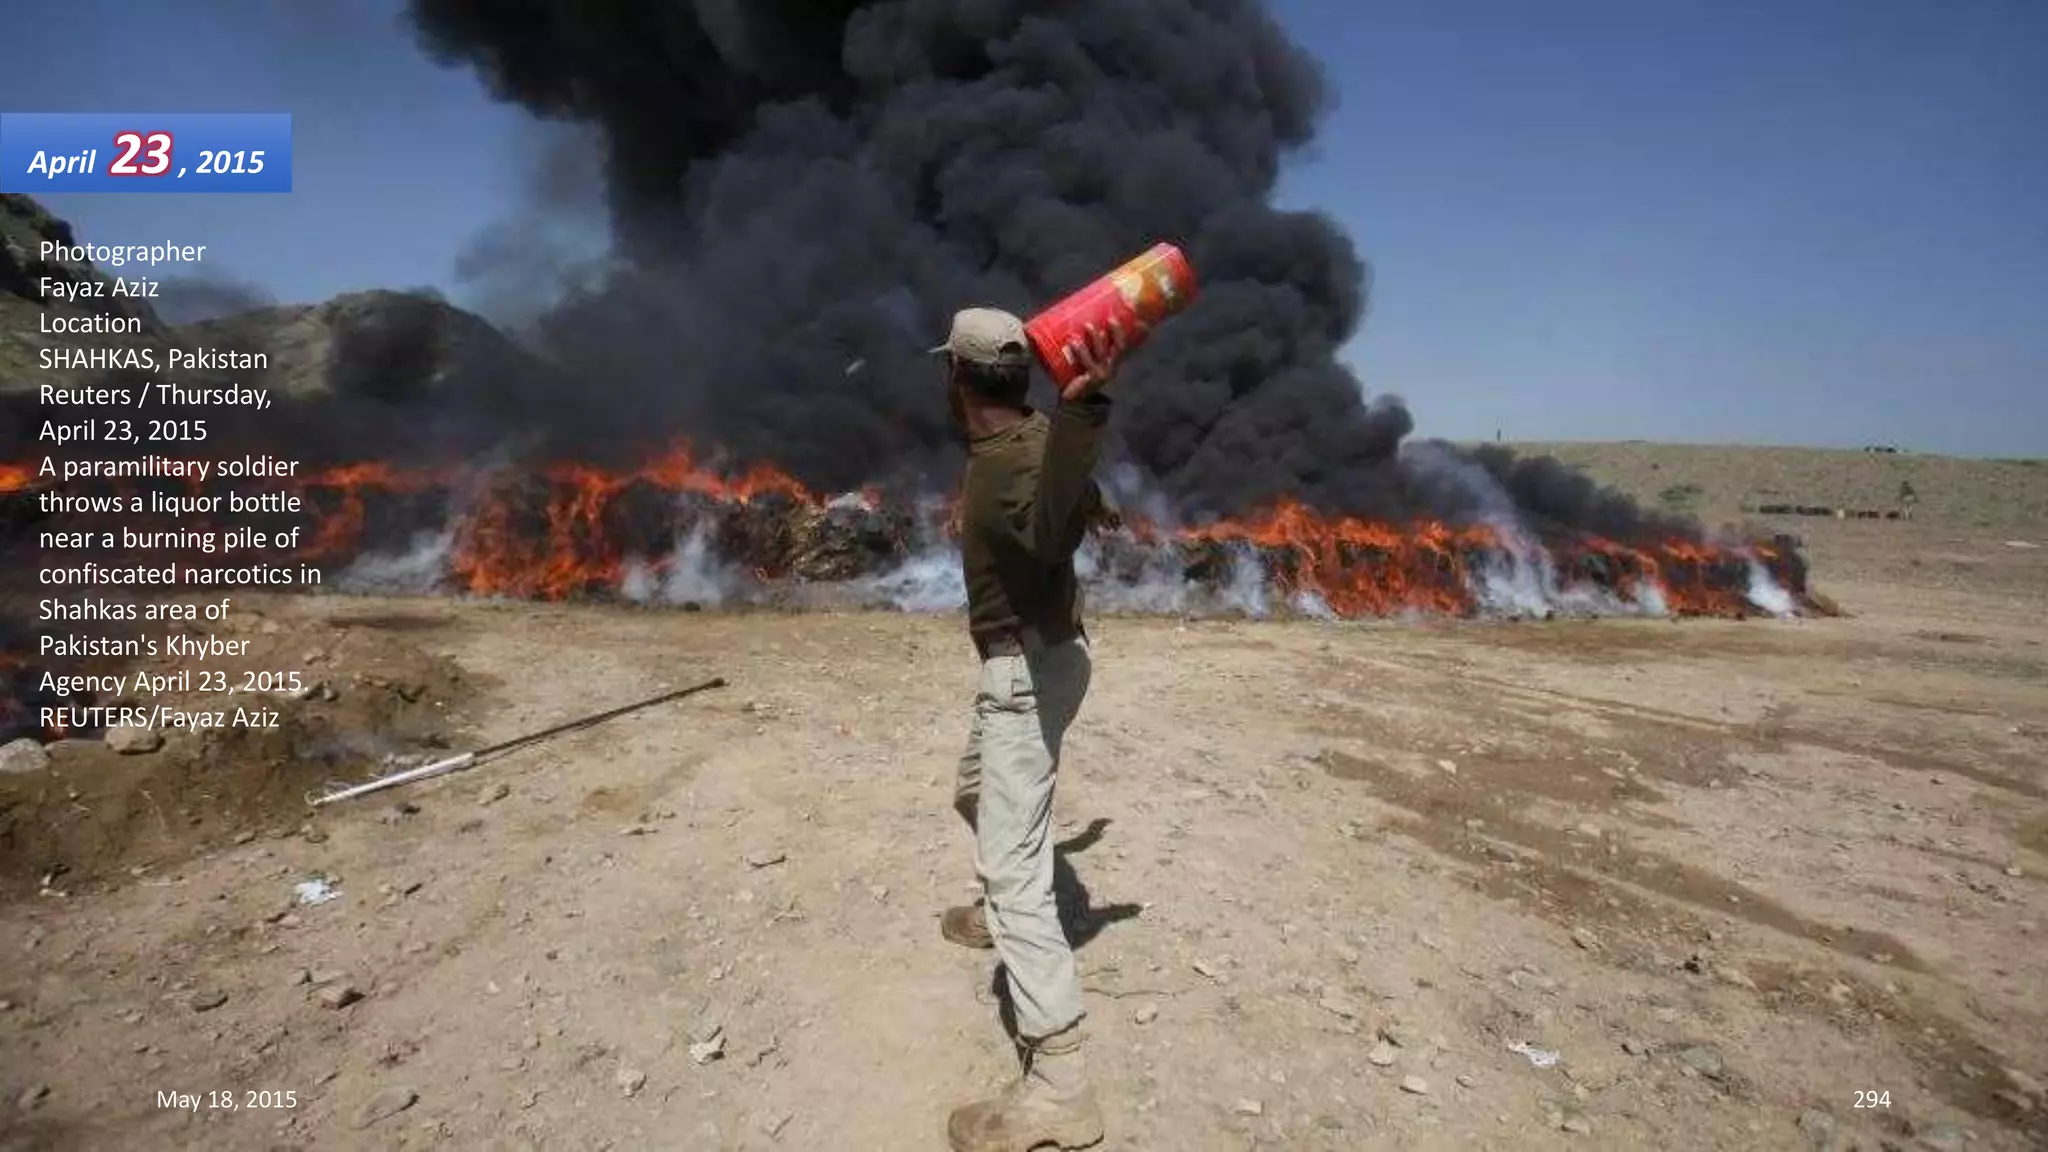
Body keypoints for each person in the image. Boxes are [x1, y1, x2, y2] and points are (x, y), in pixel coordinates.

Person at [930, 306, 1131, 1152]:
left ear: (961, 381)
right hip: (1044, 656)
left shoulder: (1018, 461)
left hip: (1026, 667)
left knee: (1015, 871)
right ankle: (998, 903)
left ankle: (1060, 1083)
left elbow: (1048, 526)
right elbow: (1074, 504)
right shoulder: (1021, 443)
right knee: (977, 788)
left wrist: (1088, 414)